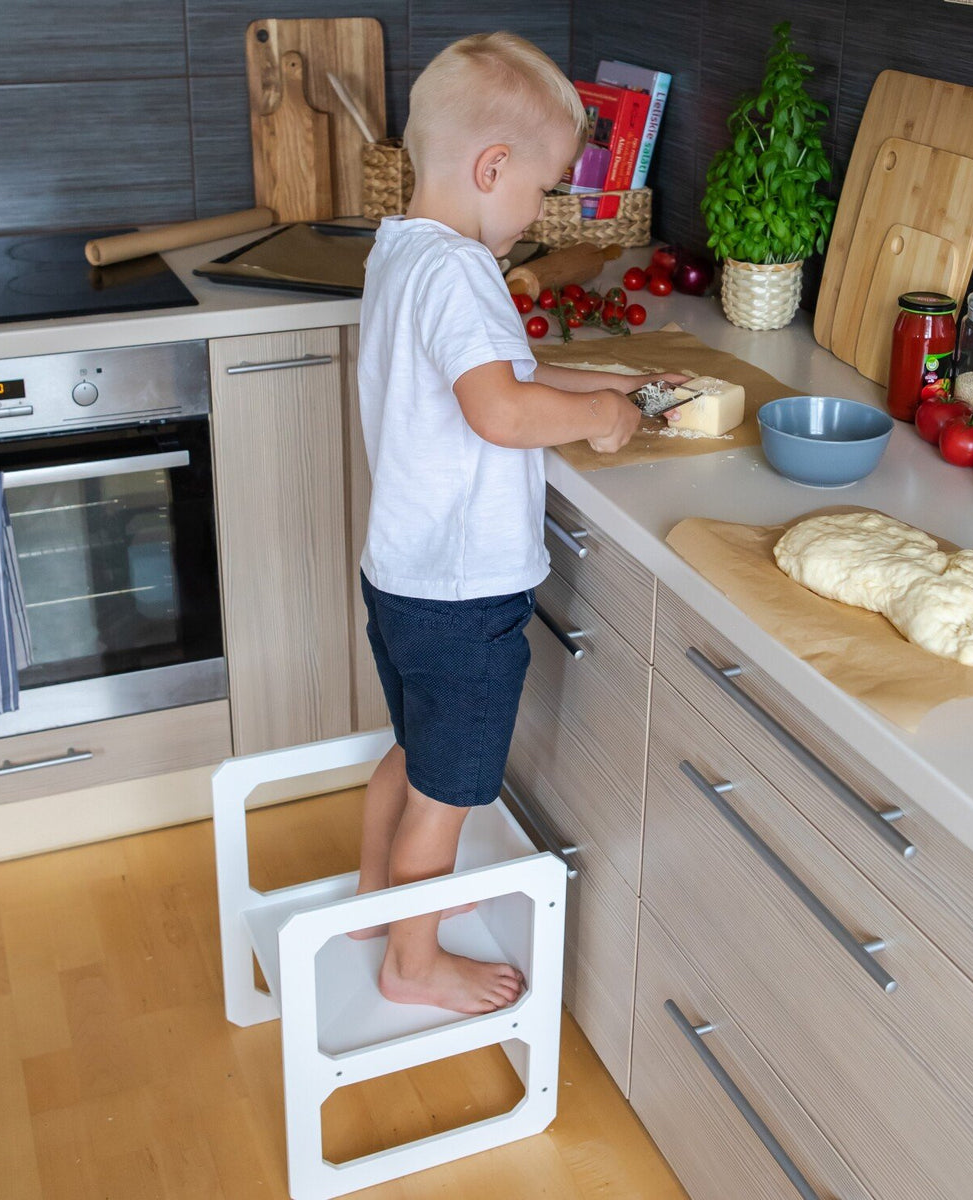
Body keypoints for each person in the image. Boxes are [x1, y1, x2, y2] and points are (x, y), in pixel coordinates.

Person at [352, 31, 685, 1015]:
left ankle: (375, 900)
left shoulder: (405, 251)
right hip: (464, 596)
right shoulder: (463, 272)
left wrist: (610, 378)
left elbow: (498, 375)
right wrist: (603, 419)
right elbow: (500, 410)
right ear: (491, 168)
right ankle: (412, 960)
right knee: (448, 792)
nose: (541, 212)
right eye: (541, 190)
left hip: (403, 577)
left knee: (414, 753)